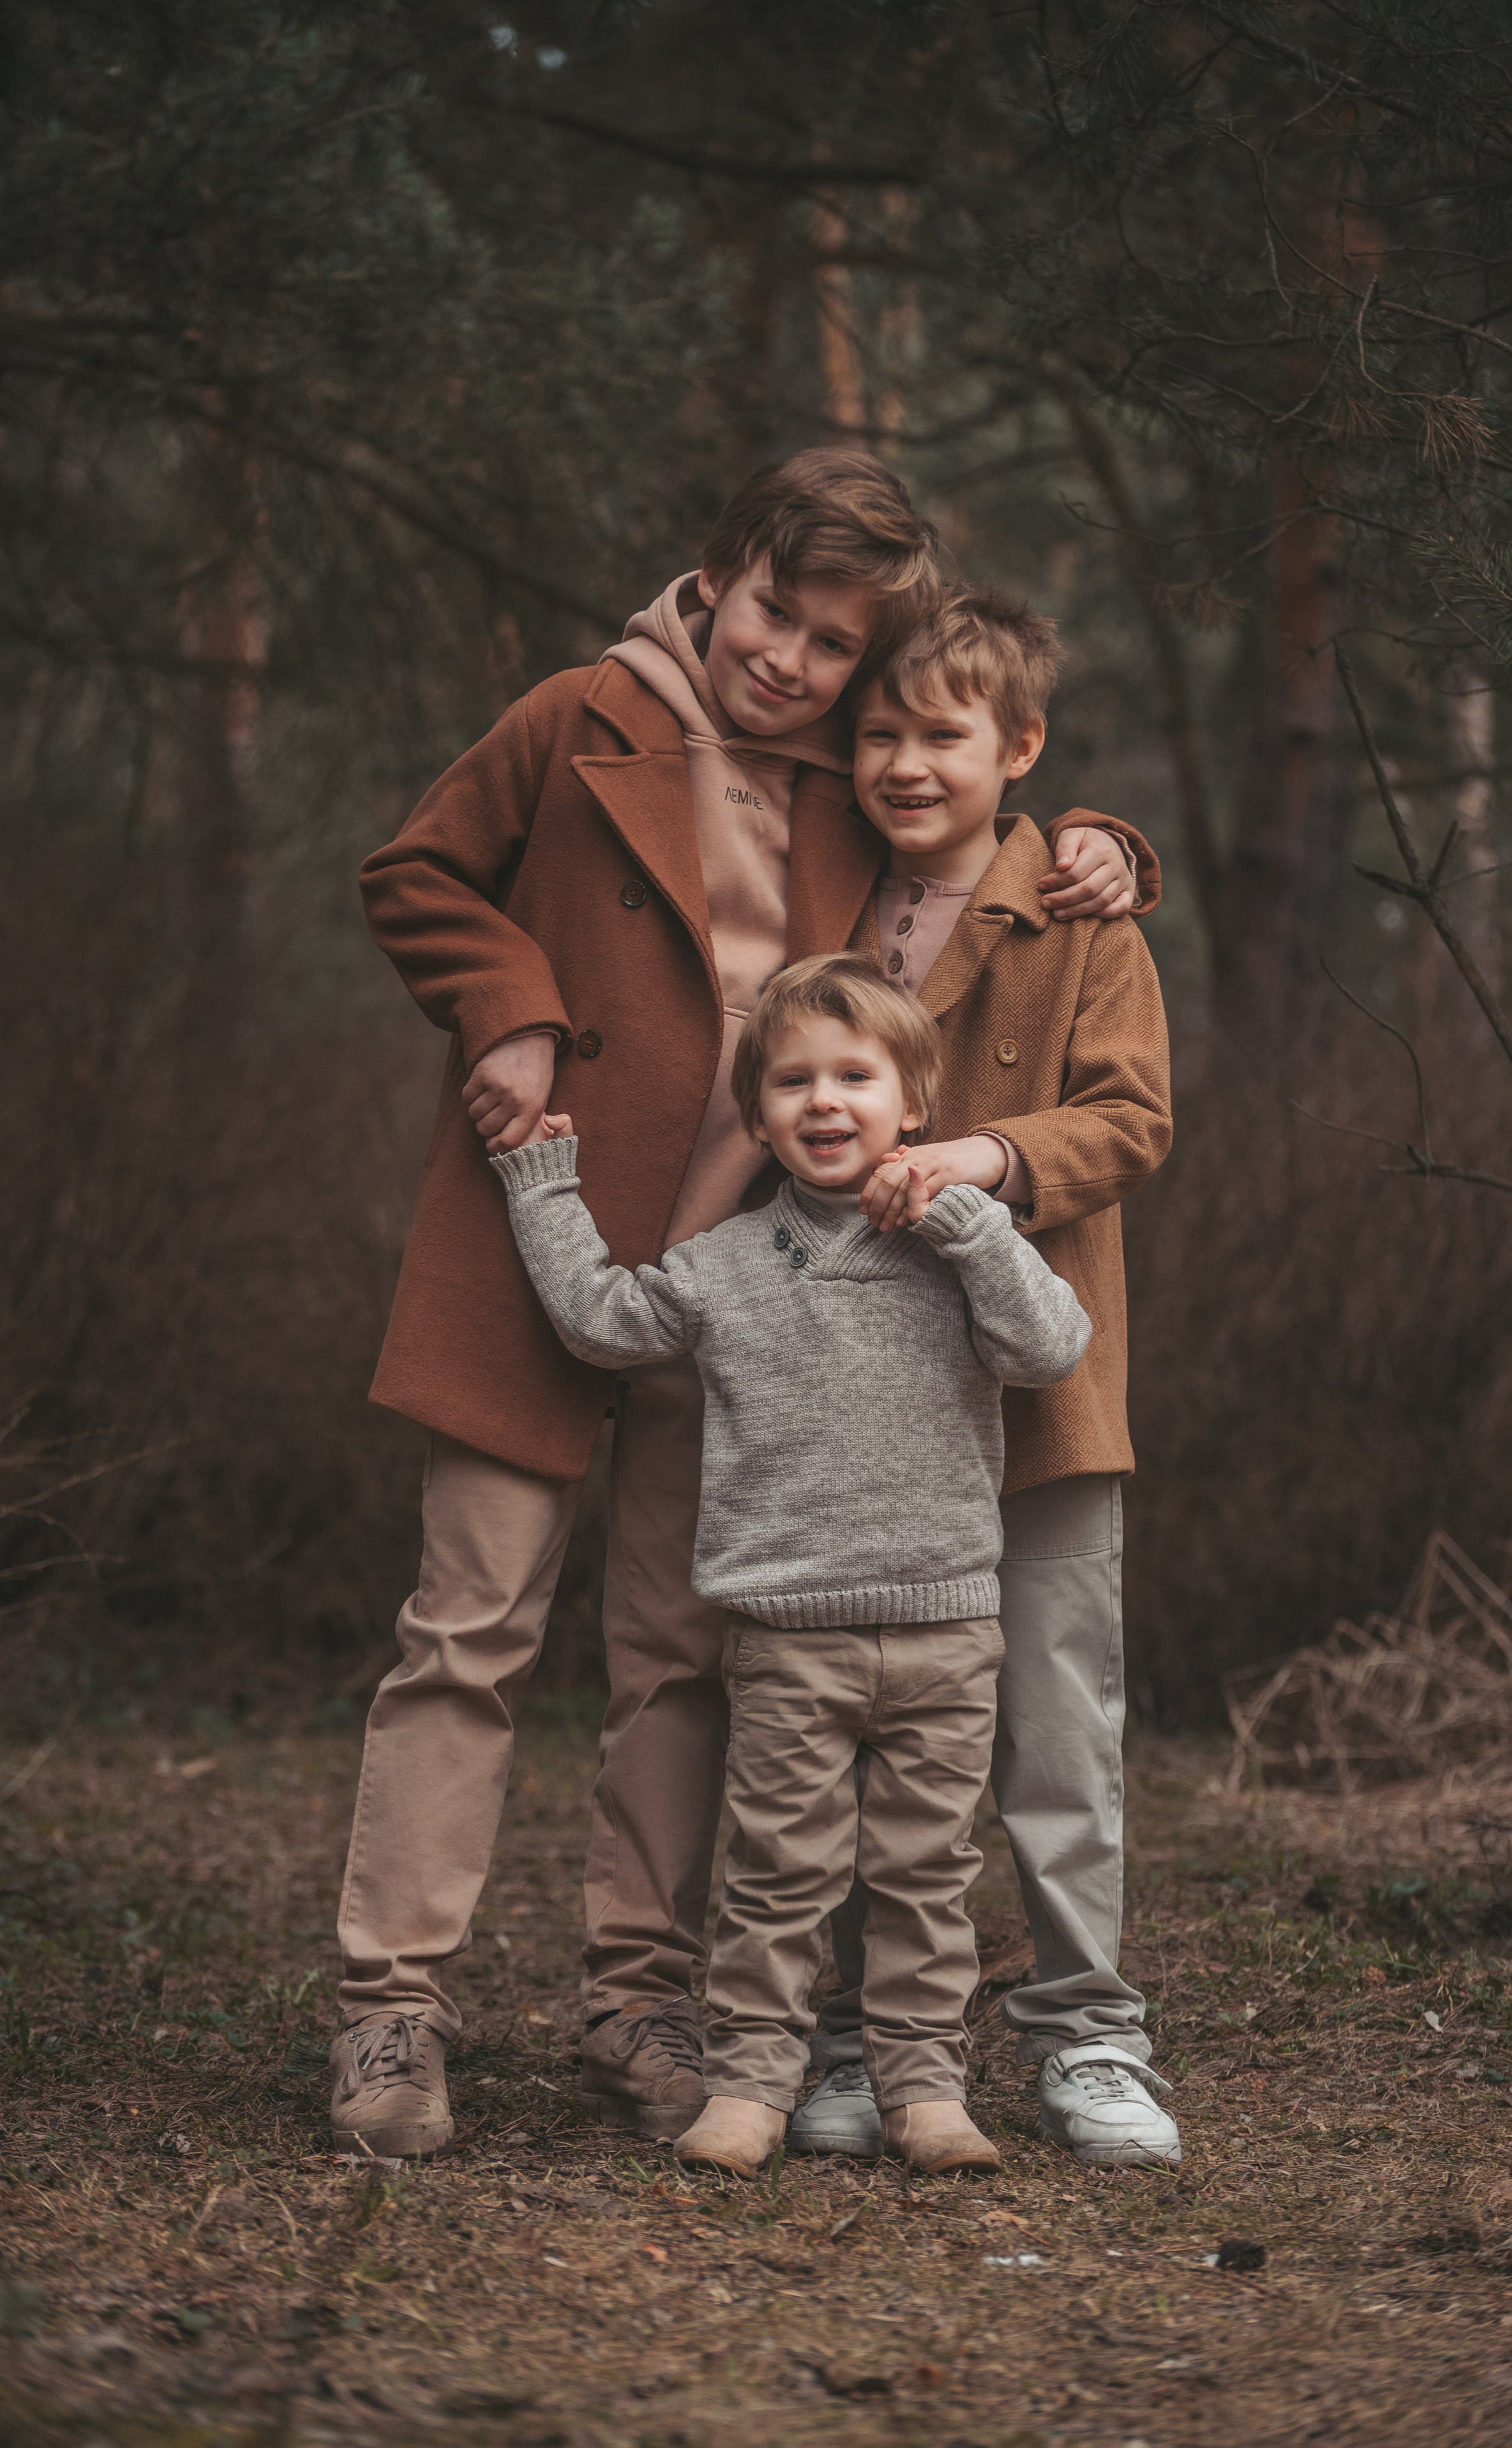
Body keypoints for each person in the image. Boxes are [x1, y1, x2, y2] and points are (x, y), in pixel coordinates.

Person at [329, 449, 1157, 2158]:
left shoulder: (855, 776)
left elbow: (975, 820)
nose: (792, 660)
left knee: (685, 1659)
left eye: (835, 645)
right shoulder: (574, 717)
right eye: (776, 613)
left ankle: (641, 1996)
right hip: (542, 1231)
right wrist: (509, 1007)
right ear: (717, 577)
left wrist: (1101, 844)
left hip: (758, 1294)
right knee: (466, 1629)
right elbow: (414, 873)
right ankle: (390, 2006)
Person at [490, 957, 1089, 2176]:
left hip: (945, 1633)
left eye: (855, 1077)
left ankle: (924, 2091)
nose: (825, 1102)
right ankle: (753, 2086)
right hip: (786, 1637)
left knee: (925, 1879)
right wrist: (544, 1185)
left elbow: (1051, 1348)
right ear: (758, 1117)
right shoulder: (726, 1263)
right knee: (777, 1877)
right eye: (793, 1082)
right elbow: (604, 1322)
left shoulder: (963, 1249)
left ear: (912, 1103)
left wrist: (966, 1214)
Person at [784, 584, 1181, 2170]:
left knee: (1054, 1725)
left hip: (1041, 1398)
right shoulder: (821, 893)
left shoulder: (1082, 916)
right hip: (857, 1404)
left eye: (940, 735)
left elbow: (1132, 1120)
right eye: (876, 733)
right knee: (848, 1724)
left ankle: (1087, 2030)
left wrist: (984, 1158)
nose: (902, 762)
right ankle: (850, 2036)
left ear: (1016, 748)